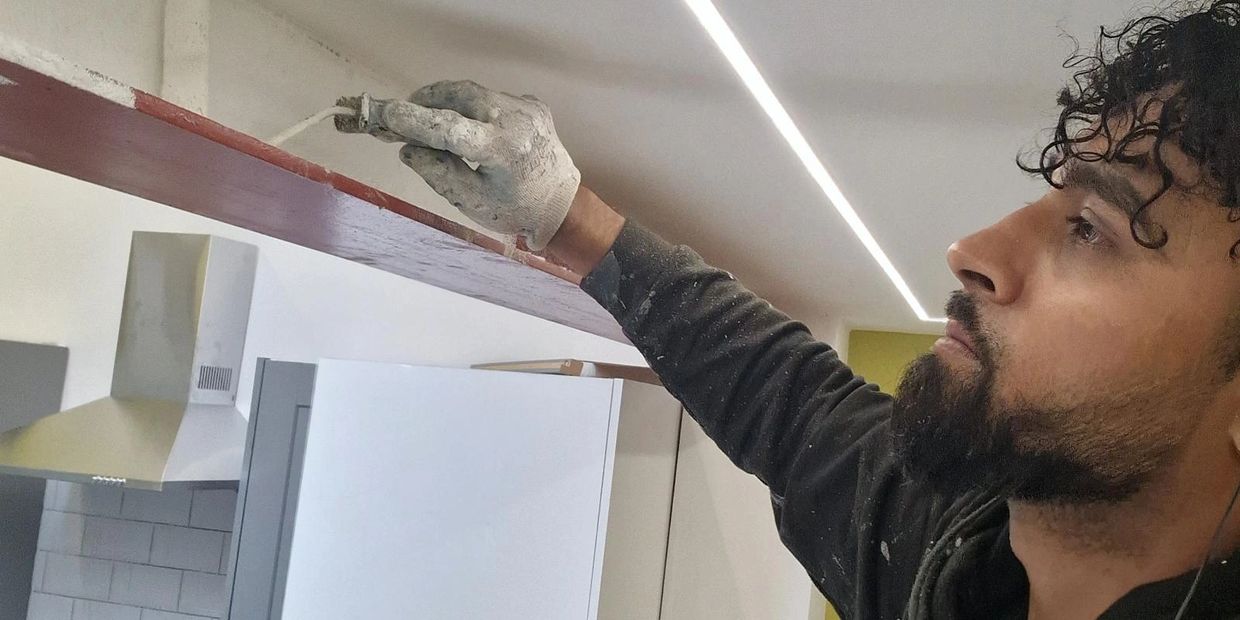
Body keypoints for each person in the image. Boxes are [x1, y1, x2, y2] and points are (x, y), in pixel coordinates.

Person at [338, 2, 1240, 617]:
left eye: (1092, 228)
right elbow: (786, 398)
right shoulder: (943, 548)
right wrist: (564, 214)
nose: (973, 251)